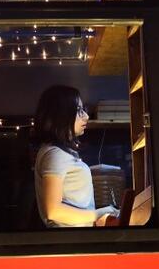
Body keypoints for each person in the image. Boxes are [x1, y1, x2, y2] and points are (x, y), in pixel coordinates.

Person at [33, 85, 120, 227]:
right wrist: (98, 214)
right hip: (69, 243)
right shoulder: (54, 155)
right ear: (61, 115)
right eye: (79, 110)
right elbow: (54, 211)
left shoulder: (57, 152)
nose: (85, 116)